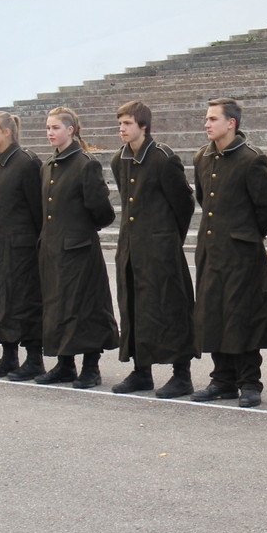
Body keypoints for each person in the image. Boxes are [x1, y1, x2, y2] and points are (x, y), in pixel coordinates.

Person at [191, 97, 267, 408]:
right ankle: (222, 380)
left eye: (213, 119)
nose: (207, 124)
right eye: (206, 118)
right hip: (211, 249)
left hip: (241, 252)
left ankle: (249, 382)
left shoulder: (251, 158)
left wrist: (246, 234)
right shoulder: (202, 157)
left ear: (231, 123)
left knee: (243, 316)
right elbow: (205, 199)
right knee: (214, 313)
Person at [110, 100, 197, 398]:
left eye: (128, 123)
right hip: (131, 249)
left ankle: (181, 374)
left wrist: (168, 237)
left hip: (161, 249)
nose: (122, 129)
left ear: (143, 126)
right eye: (120, 123)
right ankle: (140, 371)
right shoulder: (118, 159)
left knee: (170, 308)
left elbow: (183, 203)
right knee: (134, 308)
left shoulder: (162, 158)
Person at [35, 107, 119, 387]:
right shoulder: (48, 165)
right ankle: (64, 363)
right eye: (47, 128)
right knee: (58, 308)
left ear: (70, 130)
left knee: (85, 307)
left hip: (79, 248)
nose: (50, 133)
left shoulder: (85, 163)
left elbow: (102, 211)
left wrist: (80, 230)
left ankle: (90, 367)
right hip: (53, 248)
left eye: (55, 127)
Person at [0, 111, 45, 380]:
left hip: (22, 248)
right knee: (2, 302)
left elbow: (36, 209)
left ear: (7, 132)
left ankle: (34, 358)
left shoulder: (25, 162)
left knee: (25, 302)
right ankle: (9, 355)